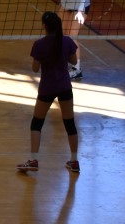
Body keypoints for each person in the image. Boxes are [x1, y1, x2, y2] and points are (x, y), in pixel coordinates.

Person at [17, 11, 81, 174]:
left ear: (45, 26)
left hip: (47, 87)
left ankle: (33, 160)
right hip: (64, 86)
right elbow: (74, 61)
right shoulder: (67, 41)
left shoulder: (39, 44)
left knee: (37, 123)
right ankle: (74, 161)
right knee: (70, 123)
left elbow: (35, 68)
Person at [57, 0, 89, 80]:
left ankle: (77, 70)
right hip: (67, 5)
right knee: (63, 36)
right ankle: (64, 63)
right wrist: (61, 4)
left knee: (71, 37)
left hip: (80, 6)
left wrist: (80, 11)